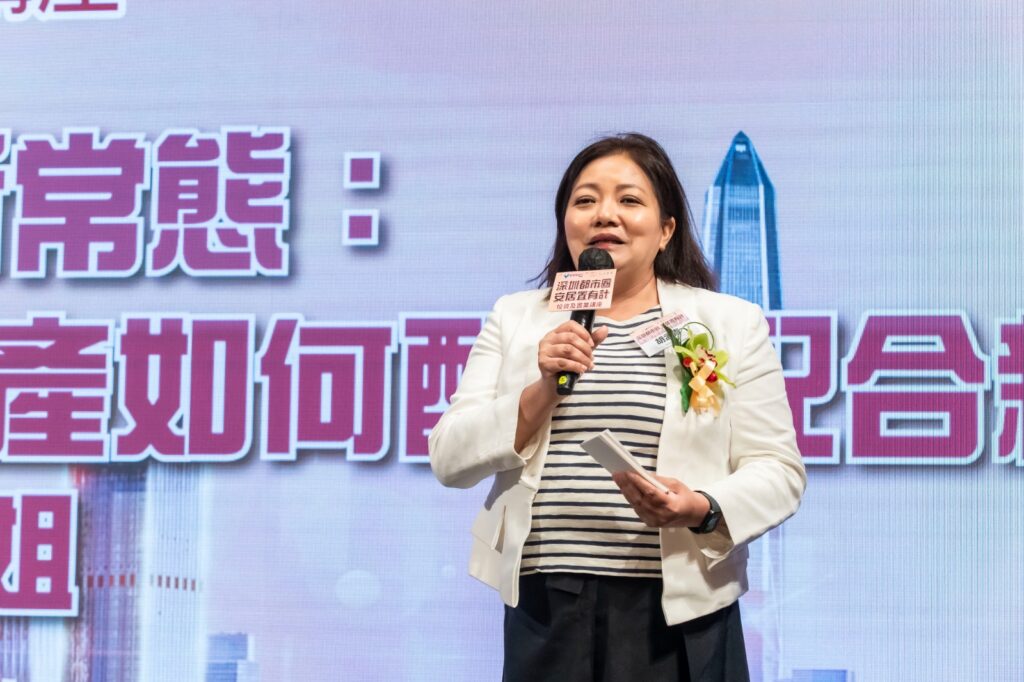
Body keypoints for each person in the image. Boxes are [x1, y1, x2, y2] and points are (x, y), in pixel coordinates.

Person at [428, 133, 806, 681]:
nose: (605, 214)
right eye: (585, 200)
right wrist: (540, 389)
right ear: (565, 222)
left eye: (629, 200)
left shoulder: (728, 323)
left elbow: (779, 469)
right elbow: (449, 457)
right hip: (547, 604)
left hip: (679, 607)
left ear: (666, 229)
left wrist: (702, 507)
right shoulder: (517, 318)